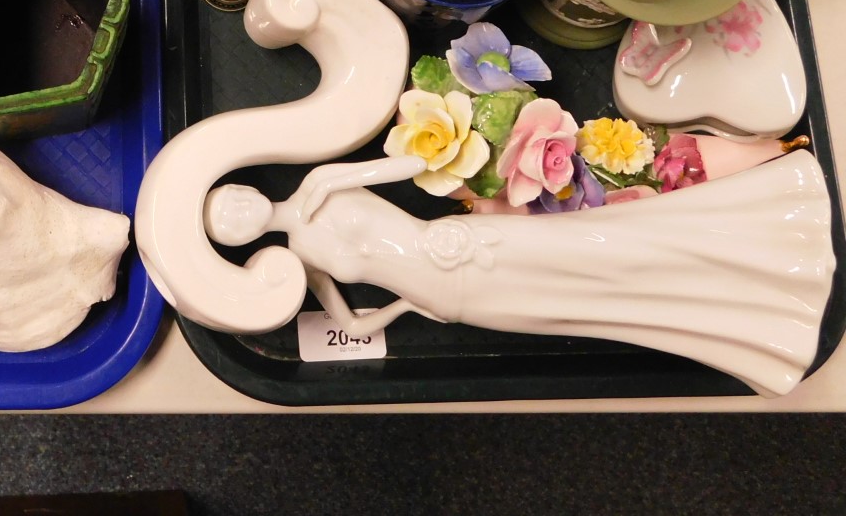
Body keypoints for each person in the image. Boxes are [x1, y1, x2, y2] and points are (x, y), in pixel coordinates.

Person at [203, 151, 836, 398]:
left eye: (232, 200)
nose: (240, 212)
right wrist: (409, 308)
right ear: (242, 239)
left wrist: (452, 153)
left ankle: (772, 245)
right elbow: (348, 321)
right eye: (230, 225)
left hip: (467, 242)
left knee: (602, 249)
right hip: (455, 298)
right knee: (592, 316)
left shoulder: (320, 184)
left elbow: (399, 163)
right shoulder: (305, 260)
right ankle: (762, 330)